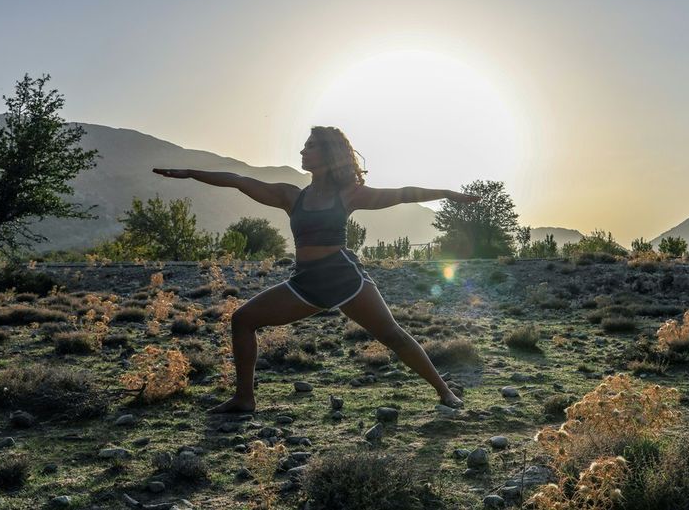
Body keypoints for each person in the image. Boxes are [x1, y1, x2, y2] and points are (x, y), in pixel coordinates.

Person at [152, 125, 480, 414]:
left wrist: (447, 194)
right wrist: (192, 173)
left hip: (344, 278)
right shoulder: (291, 196)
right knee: (242, 319)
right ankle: (244, 398)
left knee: (392, 334)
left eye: (310, 145)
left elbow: (403, 195)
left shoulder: (349, 194)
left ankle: (445, 391)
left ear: (328, 153)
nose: (302, 150)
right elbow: (239, 181)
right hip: (305, 284)